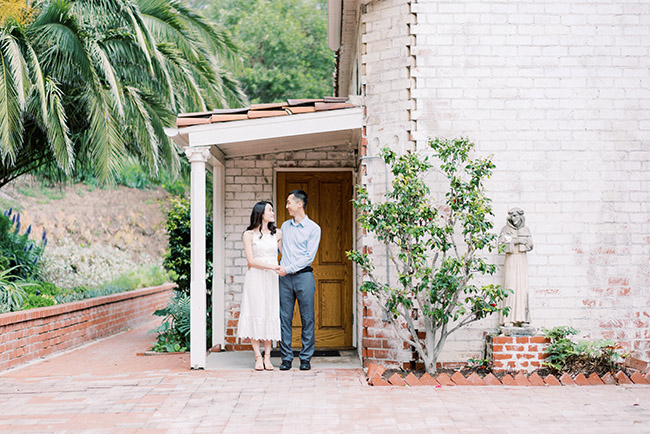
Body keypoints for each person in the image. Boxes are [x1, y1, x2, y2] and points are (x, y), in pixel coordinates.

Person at [277, 190, 321, 371]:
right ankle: (286, 358)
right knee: (285, 318)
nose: (286, 206)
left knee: (307, 318)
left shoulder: (314, 228)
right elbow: (283, 250)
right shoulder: (285, 227)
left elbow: (308, 257)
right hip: (285, 278)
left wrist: (288, 268)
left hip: (304, 276)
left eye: (289, 203)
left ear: (299, 204)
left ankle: (305, 359)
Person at [237, 201, 282, 371]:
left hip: (271, 279)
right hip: (255, 278)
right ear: (261, 213)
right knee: (255, 313)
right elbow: (251, 261)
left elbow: (284, 255)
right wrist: (273, 267)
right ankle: (257, 357)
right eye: (270, 210)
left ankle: (268, 357)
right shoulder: (248, 235)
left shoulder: (277, 233)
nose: (273, 213)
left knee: (269, 313)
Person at [498, 207, 534, 326]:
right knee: (510, 286)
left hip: (521, 260)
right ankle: (507, 319)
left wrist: (521, 241)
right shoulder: (506, 230)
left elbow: (530, 245)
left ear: (520, 216)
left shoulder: (526, 230)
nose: (514, 218)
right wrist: (517, 241)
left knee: (522, 289)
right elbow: (501, 246)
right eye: (512, 216)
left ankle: (523, 319)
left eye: (516, 215)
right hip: (511, 260)